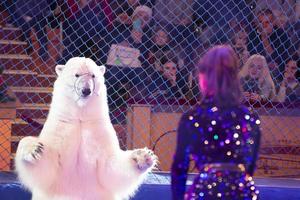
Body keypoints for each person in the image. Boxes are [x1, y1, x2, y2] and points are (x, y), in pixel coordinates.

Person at [171, 45, 261, 200]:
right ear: (234, 77)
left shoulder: (193, 117)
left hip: (206, 191)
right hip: (241, 191)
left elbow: (180, 168)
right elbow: (250, 165)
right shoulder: (250, 118)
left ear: (204, 77)